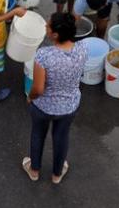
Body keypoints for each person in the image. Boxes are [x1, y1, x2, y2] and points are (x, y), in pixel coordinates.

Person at [24, 13, 88, 183]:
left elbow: (38, 88)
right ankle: (57, 174)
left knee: (38, 134)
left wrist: (30, 98)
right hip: (69, 107)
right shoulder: (82, 49)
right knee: (61, 137)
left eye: (49, 25)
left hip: (43, 107)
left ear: (55, 35)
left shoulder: (44, 56)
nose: (46, 25)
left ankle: (34, 170)